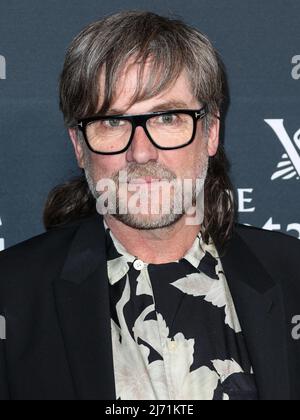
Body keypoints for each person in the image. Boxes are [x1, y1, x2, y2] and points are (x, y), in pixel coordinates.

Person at [0, 10, 299, 401]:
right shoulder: (12, 296)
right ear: (79, 146)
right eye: (112, 122)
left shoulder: (293, 275)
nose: (141, 152)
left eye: (167, 118)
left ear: (211, 132)